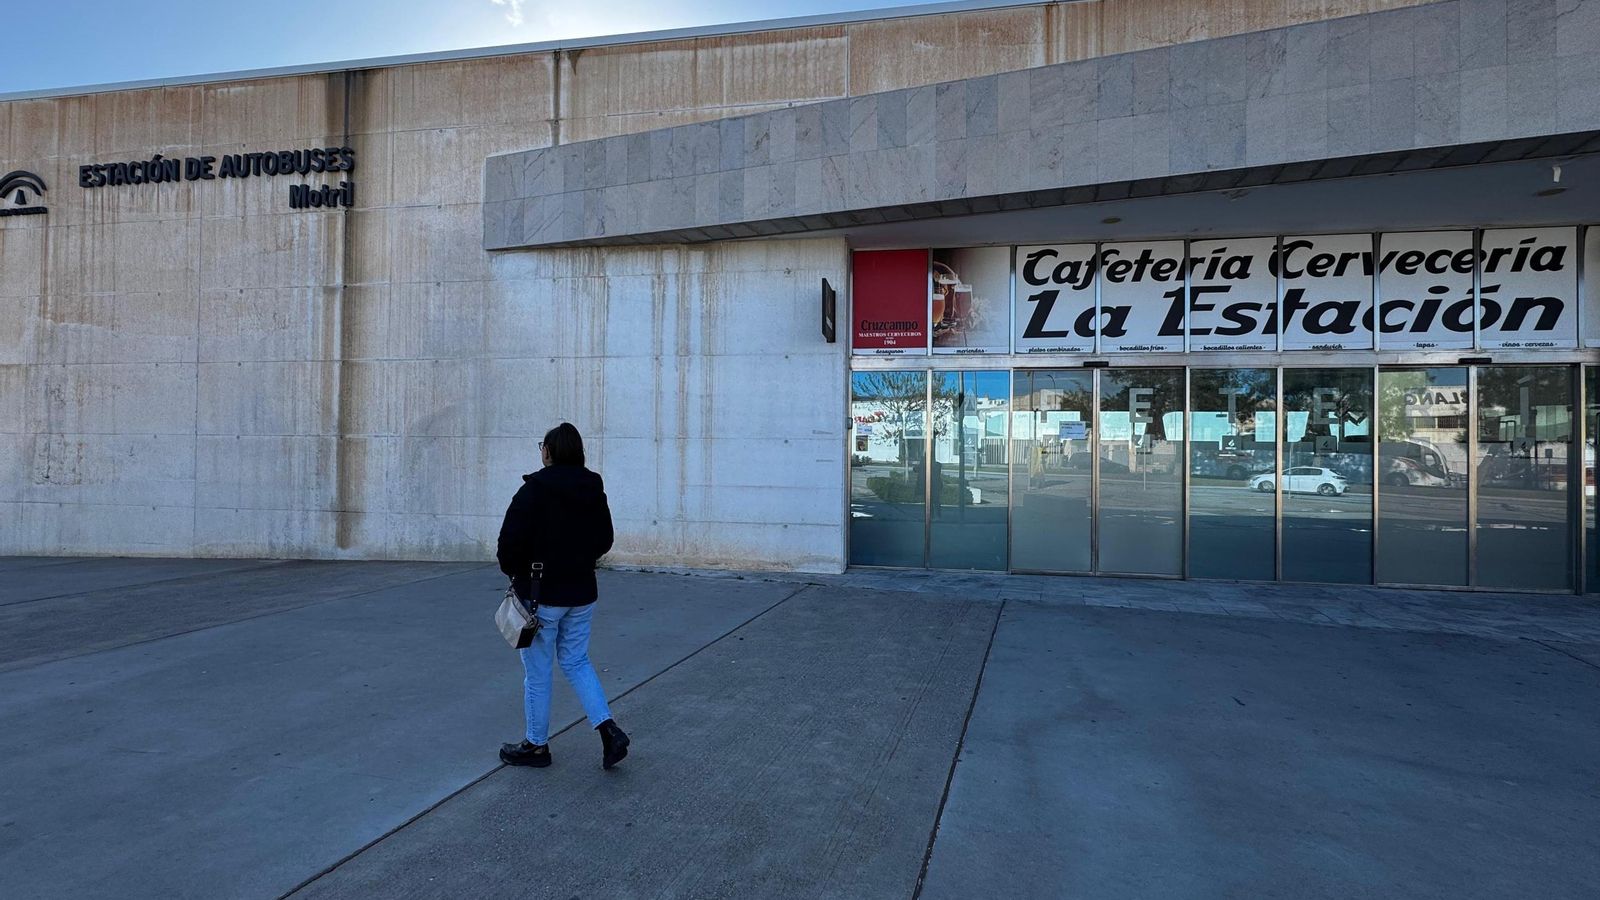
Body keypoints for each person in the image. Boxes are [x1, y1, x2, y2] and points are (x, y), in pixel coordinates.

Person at [495, 422, 630, 770]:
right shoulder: (592, 486)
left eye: (543, 445)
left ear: (549, 452)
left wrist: (517, 572)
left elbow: (508, 544)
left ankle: (536, 746)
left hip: (541, 598)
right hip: (582, 593)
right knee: (576, 661)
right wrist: (579, 560)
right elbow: (605, 539)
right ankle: (608, 730)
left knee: (538, 673)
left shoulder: (534, 489)